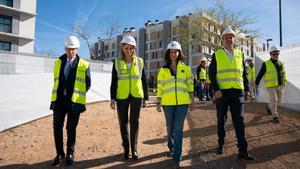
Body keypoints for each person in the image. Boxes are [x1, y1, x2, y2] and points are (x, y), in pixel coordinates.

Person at [209, 26, 255, 160]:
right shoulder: (216, 55)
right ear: (222, 40)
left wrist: (246, 89)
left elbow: (244, 74)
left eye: (231, 37)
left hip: (237, 92)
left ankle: (242, 150)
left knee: (239, 121)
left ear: (234, 39)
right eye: (226, 37)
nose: (229, 39)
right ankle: (221, 143)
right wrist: (216, 89)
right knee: (221, 120)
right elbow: (211, 74)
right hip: (222, 94)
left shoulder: (240, 54)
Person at [50, 35, 91, 166]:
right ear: (65, 49)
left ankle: (70, 153)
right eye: (69, 49)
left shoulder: (84, 64)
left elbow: (88, 84)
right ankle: (59, 153)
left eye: (73, 49)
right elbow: (56, 80)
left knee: (71, 128)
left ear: (77, 49)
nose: (71, 51)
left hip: (74, 102)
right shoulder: (58, 62)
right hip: (59, 101)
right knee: (57, 127)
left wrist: (77, 95)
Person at [156, 41, 194, 169]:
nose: (173, 54)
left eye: (175, 51)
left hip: (182, 103)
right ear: (168, 54)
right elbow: (160, 86)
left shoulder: (186, 68)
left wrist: (192, 99)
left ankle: (176, 158)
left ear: (179, 53)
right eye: (171, 52)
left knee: (178, 130)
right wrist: (158, 101)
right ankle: (171, 146)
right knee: (170, 127)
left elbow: (190, 85)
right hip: (167, 103)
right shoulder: (163, 70)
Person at [110, 35, 148, 160]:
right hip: (121, 96)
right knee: (123, 123)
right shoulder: (117, 62)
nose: (129, 51)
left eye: (131, 48)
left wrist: (146, 97)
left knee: (134, 122)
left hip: (136, 95)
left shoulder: (140, 61)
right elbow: (114, 81)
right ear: (122, 48)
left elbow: (143, 80)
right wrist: (112, 98)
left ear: (134, 49)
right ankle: (126, 150)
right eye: (126, 48)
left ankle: (134, 149)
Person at [255, 45, 287, 123]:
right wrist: (256, 83)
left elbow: (283, 74)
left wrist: (284, 82)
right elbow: (260, 74)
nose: (276, 55)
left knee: (279, 101)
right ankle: (275, 116)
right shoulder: (266, 64)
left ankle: (268, 107)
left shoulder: (281, 63)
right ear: (270, 54)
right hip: (270, 86)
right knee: (274, 100)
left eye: (277, 54)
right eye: (274, 54)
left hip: (280, 85)